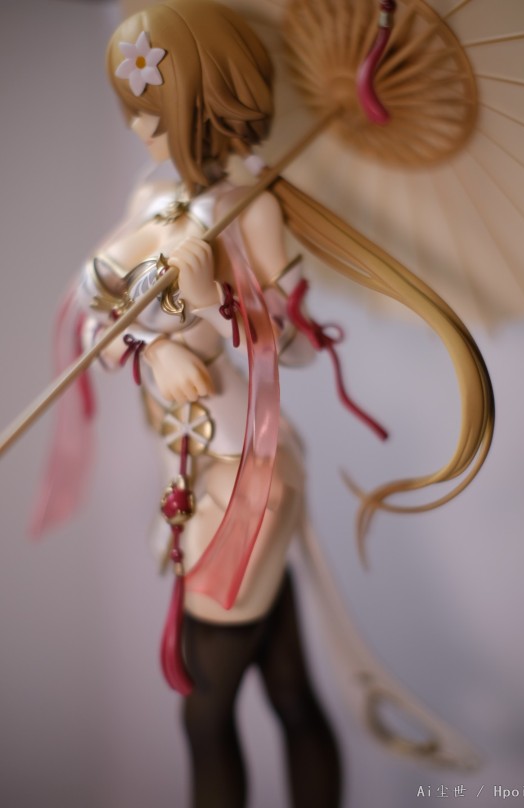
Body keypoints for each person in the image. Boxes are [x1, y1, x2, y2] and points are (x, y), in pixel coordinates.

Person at [33, 1, 494, 806]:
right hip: (187, 464)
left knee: (204, 709)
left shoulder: (255, 210)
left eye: (153, 107)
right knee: (287, 688)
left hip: (241, 476)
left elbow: (296, 348)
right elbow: (100, 322)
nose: (139, 125)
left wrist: (211, 305)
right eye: (132, 108)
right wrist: (157, 346)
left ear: (203, 104)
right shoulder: (150, 196)